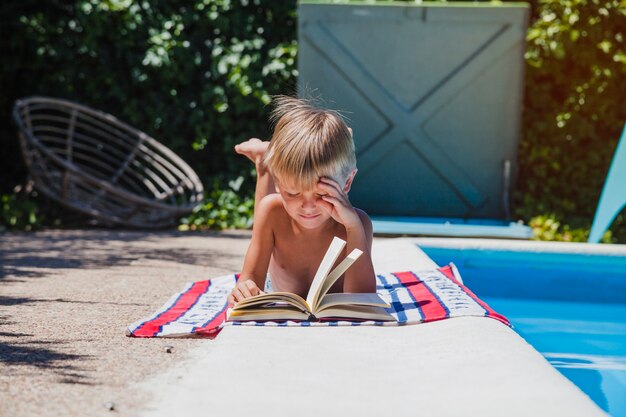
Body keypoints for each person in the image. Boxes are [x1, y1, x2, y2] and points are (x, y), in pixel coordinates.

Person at [227, 95, 376, 304]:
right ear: (279, 184)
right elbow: (250, 279)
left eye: (322, 194)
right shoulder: (273, 210)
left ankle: (276, 159)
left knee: (275, 204)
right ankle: (264, 165)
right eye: (293, 193)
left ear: (347, 183)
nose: (307, 207)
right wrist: (244, 290)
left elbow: (363, 300)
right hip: (278, 285)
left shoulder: (358, 223)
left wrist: (353, 227)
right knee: (267, 206)